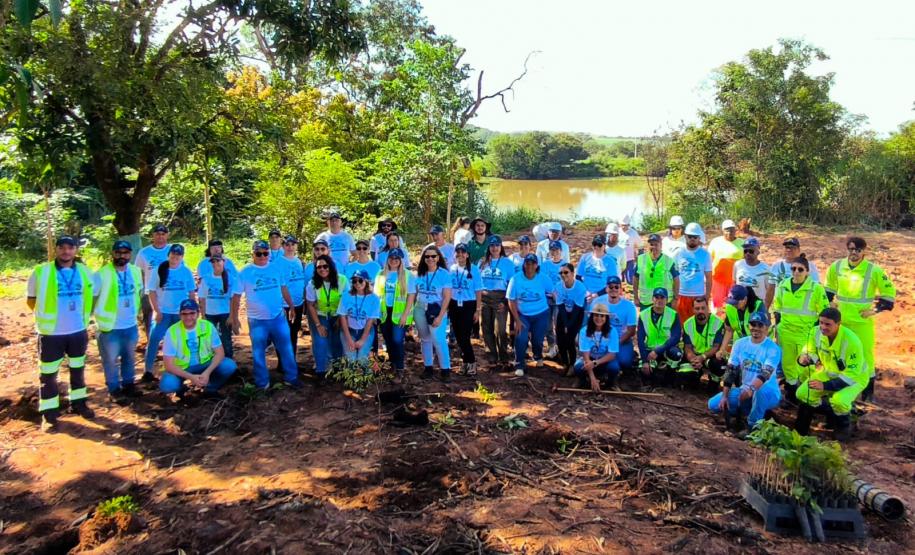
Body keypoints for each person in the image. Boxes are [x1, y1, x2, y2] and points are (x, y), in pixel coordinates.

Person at [27, 235, 96, 429]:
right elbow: (31, 300)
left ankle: (79, 404)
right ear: (56, 249)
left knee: (78, 370)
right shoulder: (41, 272)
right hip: (51, 333)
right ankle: (49, 415)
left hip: (77, 331)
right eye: (62, 247)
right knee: (48, 374)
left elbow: (91, 296)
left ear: (75, 250)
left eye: (70, 248)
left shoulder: (85, 271)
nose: (66, 251)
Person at [824, 236, 895, 401]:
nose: (854, 253)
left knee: (865, 355)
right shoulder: (836, 267)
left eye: (858, 250)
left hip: (861, 323)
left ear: (864, 251)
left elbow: (889, 297)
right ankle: (839, 387)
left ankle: (868, 393)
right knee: (838, 353)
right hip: (840, 322)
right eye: (851, 249)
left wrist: (874, 310)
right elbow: (827, 291)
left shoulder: (874, 270)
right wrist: (830, 304)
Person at [794, 308, 868, 442]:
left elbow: (851, 375)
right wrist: (804, 359)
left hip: (855, 378)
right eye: (821, 322)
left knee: (839, 401)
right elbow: (810, 351)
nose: (823, 327)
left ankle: (843, 430)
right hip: (828, 373)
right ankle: (803, 430)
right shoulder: (815, 332)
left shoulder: (852, 341)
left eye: (828, 324)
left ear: (838, 324)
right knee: (803, 394)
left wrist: (825, 385)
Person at [239, 240, 302, 390]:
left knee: (286, 348)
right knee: (259, 351)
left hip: (278, 317)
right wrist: (234, 317)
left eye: (265, 253)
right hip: (257, 321)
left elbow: (283, 288)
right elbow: (235, 296)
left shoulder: (275, 268)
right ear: (253, 254)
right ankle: (262, 383)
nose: (262, 256)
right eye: (259, 253)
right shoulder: (245, 272)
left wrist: (291, 306)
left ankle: (291, 377)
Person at [707, 311, 782, 436]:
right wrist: (725, 396)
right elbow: (731, 370)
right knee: (714, 404)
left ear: (767, 328)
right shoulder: (740, 344)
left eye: (760, 325)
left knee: (760, 392)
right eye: (753, 324)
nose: (756, 328)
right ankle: (753, 413)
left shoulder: (773, 348)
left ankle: (752, 427)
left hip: (768, 391)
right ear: (748, 326)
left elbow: (765, 373)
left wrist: (751, 389)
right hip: (745, 389)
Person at [771, 255, 829, 402]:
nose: (796, 272)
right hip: (786, 333)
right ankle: (791, 394)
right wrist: (778, 328)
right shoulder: (783, 286)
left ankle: (807, 395)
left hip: (806, 334)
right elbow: (777, 308)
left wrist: (818, 334)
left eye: (800, 269)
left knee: (805, 366)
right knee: (788, 365)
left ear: (807, 272)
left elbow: (824, 312)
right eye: (794, 269)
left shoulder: (816, 289)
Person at [93, 240, 144, 405]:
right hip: (110, 326)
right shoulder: (102, 274)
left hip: (130, 324)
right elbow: (92, 298)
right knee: (110, 360)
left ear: (130, 254)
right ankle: (114, 389)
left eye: (125, 253)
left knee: (129, 357)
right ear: (113, 254)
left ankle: (129, 385)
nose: (122, 256)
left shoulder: (136, 271)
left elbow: (139, 292)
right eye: (118, 252)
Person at [159, 299, 237, 399]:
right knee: (167, 384)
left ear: (198, 313)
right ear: (180, 315)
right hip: (182, 367)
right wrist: (191, 377)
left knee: (229, 365)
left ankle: (211, 388)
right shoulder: (172, 331)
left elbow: (220, 353)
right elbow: (169, 365)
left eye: (192, 313)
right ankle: (180, 389)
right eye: (184, 314)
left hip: (205, 364)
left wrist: (207, 372)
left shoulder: (208, 326)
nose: (188, 317)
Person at [144, 244, 196, 381]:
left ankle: (182, 368)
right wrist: (156, 310)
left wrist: (193, 312)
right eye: (173, 254)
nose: (175, 257)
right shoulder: (159, 269)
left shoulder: (185, 271)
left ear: (182, 257)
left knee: (181, 341)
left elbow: (191, 292)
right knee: (154, 339)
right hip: (163, 312)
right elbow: (152, 292)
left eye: (178, 255)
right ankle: (148, 370)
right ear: (169, 255)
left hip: (181, 313)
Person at [507, 253, 556, 376]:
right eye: (527, 263)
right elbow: (511, 300)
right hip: (523, 314)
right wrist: (517, 320)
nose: (530, 266)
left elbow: (553, 292)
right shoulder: (515, 279)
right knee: (521, 338)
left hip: (541, 314)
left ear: (536, 265)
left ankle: (538, 355)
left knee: (538, 339)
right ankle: (519, 364)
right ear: (524, 265)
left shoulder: (543, 278)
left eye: (532, 264)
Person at [306, 254, 348, 383]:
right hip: (321, 315)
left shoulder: (342, 280)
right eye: (319, 267)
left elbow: (346, 301)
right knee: (320, 341)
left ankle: (338, 369)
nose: (322, 269)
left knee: (337, 341)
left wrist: (340, 319)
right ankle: (321, 371)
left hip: (338, 314)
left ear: (331, 267)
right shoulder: (312, 283)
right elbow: (310, 304)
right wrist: (318, 325)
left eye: (325, 266)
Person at [375, 249, 415, 381]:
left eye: (397, 258)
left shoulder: (407, 275)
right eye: (391, 258)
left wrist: (405, 315)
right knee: (388, 340)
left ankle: (400, 369)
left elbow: (411, 296)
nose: (394, 260)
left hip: (399, 314)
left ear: (401, 260)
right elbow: (376, 296)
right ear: (388, 259)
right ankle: (393, 364)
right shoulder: (380, 274)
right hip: (384, 313)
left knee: (397, 340)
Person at [414, 244, 453, 381]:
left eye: (433, 256)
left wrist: (441, 316)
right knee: (425, 339)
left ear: (438, 258)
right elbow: (414, 293)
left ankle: (445, 369)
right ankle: (428, 367)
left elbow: (447, 297)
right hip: (420, 308)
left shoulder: (444, 274)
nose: (430, 259)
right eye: (427, 256)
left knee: (439, 339)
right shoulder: (419, 273)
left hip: (436, 309)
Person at [479, 235, 516, 367]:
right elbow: (477, 282)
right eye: (492, 246)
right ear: (488, 247)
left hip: (500, 297)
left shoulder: (507, 263)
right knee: (486, 328)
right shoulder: (482, 262)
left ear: (501, 247)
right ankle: (492, 355)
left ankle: (503, 356)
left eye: (497, 245)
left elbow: (512, 284)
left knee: (500, 329)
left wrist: (505, 301)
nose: (494, 248)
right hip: (484, 298)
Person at [588, 276, 637, 375]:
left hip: (621, 340)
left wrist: (615, 344)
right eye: (610, 287)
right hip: (601, 338)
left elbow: (631, 331)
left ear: (621, 289)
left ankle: (628, 356)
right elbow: (591, 323)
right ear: (606, 289)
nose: (613, 289)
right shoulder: (597, 302)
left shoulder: (629, 306)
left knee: (626, 362)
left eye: (616, 287)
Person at [197, 255, 241, 360]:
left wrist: (232, 316)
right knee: (209, 338)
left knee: (226, 339)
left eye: (218, 261)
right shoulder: (206, 278)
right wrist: (203, 315)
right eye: (213, 261)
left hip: (225, 313)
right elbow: (202, 298)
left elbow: (233, 299)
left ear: (223, 262)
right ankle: (211, 361)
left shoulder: (231, 279)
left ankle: (228, 360)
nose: (215, 263)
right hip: (209, 313)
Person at [637, 287, 683, 389]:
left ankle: (670, 376)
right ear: (652, 299)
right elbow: (640, 339)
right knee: (644, 371)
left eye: (662, 298)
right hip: (650, 350)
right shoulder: (643, 315)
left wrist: (658, 350)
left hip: (666, 349)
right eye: (656, 297)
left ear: (667, 300)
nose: (659, 300)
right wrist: (644, 361)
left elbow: (676, 337)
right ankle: (653, 375)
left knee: (676, 354)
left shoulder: (673, 314)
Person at [449, 243, 483, 376]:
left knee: (465, 335)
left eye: (463, 252)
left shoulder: (474, 270)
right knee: (458, 335)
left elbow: (478, 291)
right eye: (457, 252)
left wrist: (477, 310)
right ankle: (465, 362)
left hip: (468, 305)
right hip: (454, 304)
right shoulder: (452, 269)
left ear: (467, 254)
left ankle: (471, 362)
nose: (460, 255)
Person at [681, 297, 726, 391]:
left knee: (718, 365)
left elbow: (716, 347)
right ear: (693, 310)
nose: (700, 311)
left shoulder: (718, 323)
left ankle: (714, 380)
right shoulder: (687, 324)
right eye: (697, 308)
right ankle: (696, 374)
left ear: (708, 308)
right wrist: (693, 360)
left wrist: (702, 357)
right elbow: (687, 347)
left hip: (710, 357)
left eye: (703, 308)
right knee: (687, 379)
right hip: (695, 356)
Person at [276, 235, 307, 368]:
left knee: (294, 333)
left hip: (298, 303)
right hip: (284, 305)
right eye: (287, 245)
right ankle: (282, 364)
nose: (290, 247)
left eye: (293, 244)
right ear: (283, 246)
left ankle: (291, 361)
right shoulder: (278, 262)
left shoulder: (298, 261)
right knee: (283, 335)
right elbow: (277, 285)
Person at [337, 270, 381, 363]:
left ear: (367, 281)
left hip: (365, 331)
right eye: (354, 281)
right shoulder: (346, 296)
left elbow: (370, 321)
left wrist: (362, 340)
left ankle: (365, 372)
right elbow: (342, 317)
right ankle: (350, 373)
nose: (357, 283)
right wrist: (349, 339)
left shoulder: (374, 298)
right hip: (349, 330)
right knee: (350, 358)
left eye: (360, 280)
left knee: (362, 358)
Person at [135, 224, 171, 340]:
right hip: (149, 291)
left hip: (168, 291)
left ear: (167, 235)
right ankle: (151, 343)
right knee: (149, 318)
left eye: (163, 234)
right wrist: (141, 289)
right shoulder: (144, 252)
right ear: (153, 236)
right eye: (157, 234)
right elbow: (138, 271)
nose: (160, 237)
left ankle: (170, 344)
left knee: (170, 319)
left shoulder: (172, 250)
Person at [575, 303, 621, 392]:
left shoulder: (612, 331)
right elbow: (586, 357)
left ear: (606, 318)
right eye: (596, 315)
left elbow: (612, 355)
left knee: (614, 367)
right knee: (578, 367)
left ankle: (611, 382)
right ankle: (584, 381)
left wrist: (595, 363)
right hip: (589, 359)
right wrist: (592, 378)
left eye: (602, 316)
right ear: (592, 316)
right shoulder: (584, 331)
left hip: (604, 359)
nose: (599, 318)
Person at [673, 223, 712, 325]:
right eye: (690, 236)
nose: (692, 239)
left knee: (698, 325)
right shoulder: (678, 253)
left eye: (695, 237)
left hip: (698, 296)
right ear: (685, 236)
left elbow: (709, 278)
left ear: (699, 238)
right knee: (681, 325)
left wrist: (707, 296)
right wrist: (674, 296)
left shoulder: (705, 254)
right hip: (681, 295)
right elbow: (673, 276)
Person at [554, 263, 587, 374]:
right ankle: (565, 362)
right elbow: (560, 306)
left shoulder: (580, 287)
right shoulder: (558, 286)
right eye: (561, 273)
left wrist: (568, 326)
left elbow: (577, 309)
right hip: (564, 312)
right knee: (560, 339)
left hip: (576, 313)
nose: (563, 275)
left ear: (573, 273)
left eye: (566, 272)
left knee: (569, 339)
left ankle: (572, 364)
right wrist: (565, 324)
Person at [633, 233, 679, 310]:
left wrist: (676, 298)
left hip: (664, 301)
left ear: (661, 245)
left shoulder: (669, 261)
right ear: (648, 246)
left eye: (656, 244)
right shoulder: (641, 259)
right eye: (651, 244)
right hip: (646, 302)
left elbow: (676, 280)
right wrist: (635, 297)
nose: (653, 247)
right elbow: (635, 279)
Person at [708, 219, 744, 309]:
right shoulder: (715, 242)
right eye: (727, 230)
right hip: (718, 280)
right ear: (722, 231)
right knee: (717, 305)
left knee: (733, 305)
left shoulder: (742, 243)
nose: (729, 232)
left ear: (735, 230)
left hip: (735, 282)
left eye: (732, 229)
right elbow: (709, 260)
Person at [720, 285, 764, 357]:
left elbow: (763, 331)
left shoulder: (758, 306)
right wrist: (722, 349)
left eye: (736, 303)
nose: (733, 305)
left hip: (760, 342)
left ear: (745, 299)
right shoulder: (730, 307)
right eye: (731, 302)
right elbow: (729, 330)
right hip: (742, 341)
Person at [539, 240, 565, 358]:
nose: (554, 252)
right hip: (547, 298)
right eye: (552, 250)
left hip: (560, 299)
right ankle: (551, 345)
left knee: (558, 324)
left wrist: (558, 294)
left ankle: (561, 346)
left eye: (557, 250)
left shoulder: (565, 265)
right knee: (547, 324)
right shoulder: (545, 265)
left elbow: (567, 282)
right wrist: (550, 292)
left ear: (561, 251)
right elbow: (542, 281)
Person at [733, 237, 774, 308]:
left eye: (751, 251)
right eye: (745, 251)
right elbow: (734, 283)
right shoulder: (738, 264)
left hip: (757, 306)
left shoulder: (765, 269)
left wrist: (766, 308)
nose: (748, 253)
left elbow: (770, 291)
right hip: (740, 305)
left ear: (758, 252)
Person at [577, 235, 617, 300]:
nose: (596, 246)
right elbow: (578, 277)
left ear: (604, 245)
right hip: (585, 296)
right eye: (594, 244)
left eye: (599, 244)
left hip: (602, 297)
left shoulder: (610, 261)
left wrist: (596, 295)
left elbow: (612, 283)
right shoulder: (585, 258)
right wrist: (586, 292)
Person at [617, 214, 642, 285]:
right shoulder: (617, 232)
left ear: (629, 225)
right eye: (622, 225)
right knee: (618, 279)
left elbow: (640, 245)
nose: (624, 227)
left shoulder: (633, 233)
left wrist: (640, 256)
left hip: (629, 259)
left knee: (630, 280)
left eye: (626, 225)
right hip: (619, 259)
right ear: (620, 224)